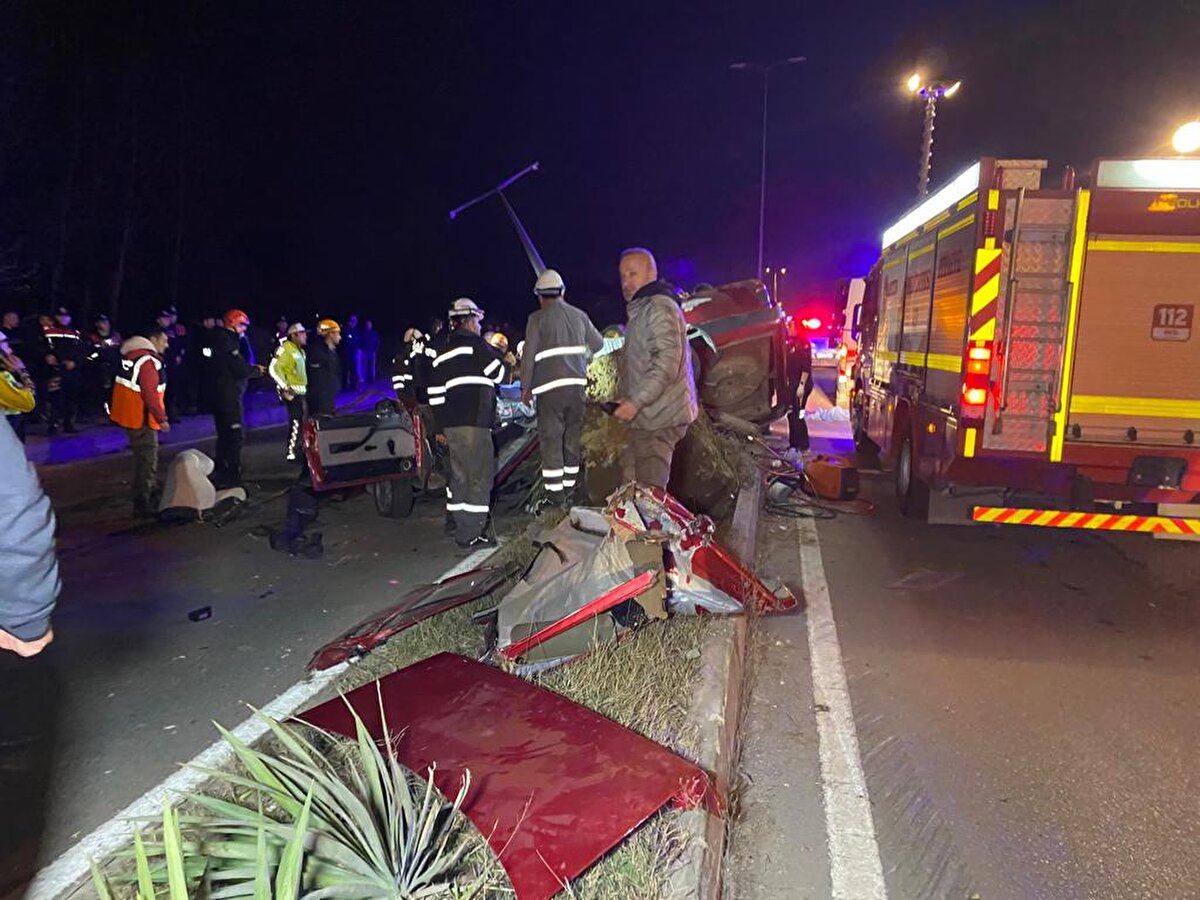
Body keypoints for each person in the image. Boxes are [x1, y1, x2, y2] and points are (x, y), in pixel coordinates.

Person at [613, 248, 698, 488]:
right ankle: (632, 524)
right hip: (648, 415)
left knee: (649, 494)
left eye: (633, 274)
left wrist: (636, 402)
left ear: (651, 273)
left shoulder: (659, 308)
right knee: (631, 484)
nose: (626, 282)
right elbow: (643, 364)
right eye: (622, 276)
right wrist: (628, 399)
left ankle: (650, 526)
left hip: (660, 416)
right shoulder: (642, 310)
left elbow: (666, 363)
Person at [521, 268, 603, 506]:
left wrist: (525, 388)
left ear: (539, 295)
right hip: (576, 387)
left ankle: (555, 498)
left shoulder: (536, 319)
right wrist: (583, 357)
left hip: (549, 390)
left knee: (552, 440)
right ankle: (571, 489)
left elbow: (528, 356)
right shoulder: (579, 315)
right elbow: (598, 344)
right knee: (572, 438)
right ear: (562, 292)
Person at [429, 298, 507, 549]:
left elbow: (435, 395)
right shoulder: (477, 346)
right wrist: (506, 361)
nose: (477, 326)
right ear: (471, 320)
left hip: (451, 426)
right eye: (476, 321)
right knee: (480, 478)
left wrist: (440, 427)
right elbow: (500, 375)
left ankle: (461, 528)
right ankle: (472, 534)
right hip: (475, 422)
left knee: (461, 477)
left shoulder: (442, 354)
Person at [109, 324, 171, 516]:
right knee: (147, 460)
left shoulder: (131, 355)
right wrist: (162, 419)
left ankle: (145, 494)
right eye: (164, 340)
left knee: (141, 459)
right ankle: (143, 502)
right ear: (153, 340)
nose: (167, 344)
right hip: (142, 418)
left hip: (131, 416)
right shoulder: (147, 361)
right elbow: (150, 394)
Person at [209, 309, 262, 488]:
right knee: (233, 436)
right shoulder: (226, 341)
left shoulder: (220, 339)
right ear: (233, 323)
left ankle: (223, 473)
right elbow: (238, 366)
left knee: (225, 436)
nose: (243, 330)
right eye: (242, 325)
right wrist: (255, 371)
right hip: (228, 396)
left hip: (222, 395)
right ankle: (231, 476)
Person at [269, 322, 308, 462]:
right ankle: (292, 452)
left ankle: (302, 449)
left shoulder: (300, 351)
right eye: (302, 333)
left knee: (303, 422)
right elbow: (273, 369)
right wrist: (285, 387)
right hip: (292, 394)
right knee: (296, 422)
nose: (305, 336)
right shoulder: (285, 349)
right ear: (294, 335)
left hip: (302, 393)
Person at [42, 306, 84, 434]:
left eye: (66, 316)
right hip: (55, 369)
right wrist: (50, 357)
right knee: (55, 398)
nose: (63, 319)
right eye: (60, 316)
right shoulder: (48, 331)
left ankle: (68, 423)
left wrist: (75, 362)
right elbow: (44, 348)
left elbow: (81, 350)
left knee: (71, 397)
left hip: (72, 370)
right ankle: (53, 424)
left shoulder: (76, 333)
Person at [84, 314, 121, 420]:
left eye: (105, 322)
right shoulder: (92, 338)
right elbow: (89, 355)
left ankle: (113, 415)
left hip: (113, 368)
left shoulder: (115, 337)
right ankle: (93, 413)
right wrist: (99, 353)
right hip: (96, 369)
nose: (104, 324)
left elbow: (120, 351)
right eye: (101, 322)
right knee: (96, 392)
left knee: (112, 393)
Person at [306, 319, 342, 417]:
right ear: (330, 334)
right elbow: (318, 381)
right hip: (321, 404)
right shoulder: (317, 354)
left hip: (329, 399)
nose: (340, 337)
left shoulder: (331, 352)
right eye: (337, 333)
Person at [786, 323, 814, 452]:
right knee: (792, 415)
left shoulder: (803, 344)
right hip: (793, 383)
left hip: (801, 384)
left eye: (791, 326)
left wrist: (801, 385)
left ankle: (803, 445)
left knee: (799, 415)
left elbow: (806, 367)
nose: (788, 328)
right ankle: (794, 444)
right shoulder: (791, 343)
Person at [340, 314, 359, 391]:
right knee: (345, 370)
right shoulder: (346, 329)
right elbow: (346, 340)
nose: (354, 322)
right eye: (353, 320)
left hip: (353, 354)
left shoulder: (355, 330)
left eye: (355, 321)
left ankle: (353, 386)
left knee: (353, 370)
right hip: (347, 354)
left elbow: (357, 340)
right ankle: (344, 386)